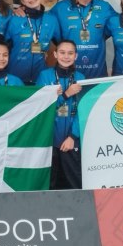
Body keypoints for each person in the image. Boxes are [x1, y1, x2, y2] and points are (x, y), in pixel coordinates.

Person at [50, 0, 116, 79]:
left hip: (98, 77)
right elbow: (40, 23)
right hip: (69, 77)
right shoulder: (60, 9)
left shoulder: (104, 8)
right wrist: (22, 10)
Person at [35, 40, 84, 189]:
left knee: (74, 184)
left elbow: (83, 111)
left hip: (71, 141)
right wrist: (66, 94)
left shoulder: (81, 77)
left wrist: (73, 137)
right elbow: (40, 108)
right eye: (62, 52)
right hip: (49, 140)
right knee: (50, 185)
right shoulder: (44, 76)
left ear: (76, 56)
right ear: (55, 54)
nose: (66, 56)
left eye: (70, 53)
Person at [4, 0, 60, 84]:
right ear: (22, 0)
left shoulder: (51, 20)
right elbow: (3, 47)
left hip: (40, 79)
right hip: (15, 79)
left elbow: (62, 45)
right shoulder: (14, 19)